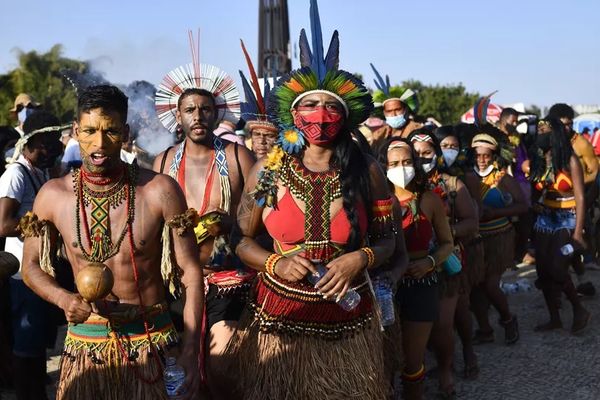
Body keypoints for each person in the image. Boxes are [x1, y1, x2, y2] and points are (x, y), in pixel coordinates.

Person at [225, 1, 395, 398]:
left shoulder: (367, 171)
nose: (320, 115)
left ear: (346, 115)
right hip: (279, 315)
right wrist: (276, 261)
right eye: (310, 105)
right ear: (293, 113)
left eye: (331, 106)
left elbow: (390, 241)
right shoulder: (267, 171)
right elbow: (241, 239)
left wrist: (360, 258)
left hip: (349, 312)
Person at [21, 85, 205, 400]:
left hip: (152, 341)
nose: (100, 143)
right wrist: (65, 300)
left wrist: (191, 348)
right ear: (76, 131)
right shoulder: (53, 195)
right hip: (86, 347)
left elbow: (189, 270)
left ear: (126, 132)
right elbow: (31, 267)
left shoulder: (159, 190)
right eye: (90, 131)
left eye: (111, 131)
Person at [153, 46, 255, 399]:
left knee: (223, 365)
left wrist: (231, 224)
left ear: (216, 114)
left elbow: (258, 221)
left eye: (206, 109)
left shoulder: (239, 157)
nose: (198, 116)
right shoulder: (163, 161)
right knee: (180, 369)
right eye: (190, 110)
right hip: (177, 282)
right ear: (178, 116)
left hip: (229, 280)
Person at [408, 128, 480, 394]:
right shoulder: (399, 188)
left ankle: (451, 367)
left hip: (446, 261)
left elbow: (472, 222)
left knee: (446, 320)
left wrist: (444, 234)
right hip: (411, 265)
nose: (421, 158)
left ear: (437, 154)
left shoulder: (452, 184)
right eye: (416, 154)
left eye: (427, 153)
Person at [382, 137, 453, 399]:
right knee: (384, 357)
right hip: (385, 285)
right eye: (394, 163)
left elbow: (447, 244)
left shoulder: (430, 200)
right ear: (383, 166)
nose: (401, 168)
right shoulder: (375, 200)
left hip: (421, 283)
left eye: (407, 162)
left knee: (413, 360)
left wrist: (429, 263)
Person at [0, 110, 64, 400]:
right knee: (27, 346)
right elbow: (2, 224)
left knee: (37, 344)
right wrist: (34, 229)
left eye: (54, 143)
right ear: (31, 143)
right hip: (21, 275)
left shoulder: (39, 171)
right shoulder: (15, 174)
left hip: (39, 269)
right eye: (46, 145)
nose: (51, 150)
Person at [527, 118, 590, 333]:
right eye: (540, 130)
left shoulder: (570, 159)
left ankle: (579, 308)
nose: (541, 133)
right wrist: (535, 204)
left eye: (546, 130)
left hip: (568, 219)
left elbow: (581, 198)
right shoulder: (539, 158)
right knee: (543, 270)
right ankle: (554, 318)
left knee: (557, 268)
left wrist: (578, 233)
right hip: (545, 218)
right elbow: (535, 191)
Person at [469, 132, 526, 345]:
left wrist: (496, 213)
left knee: (491, 284)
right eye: (477, 155)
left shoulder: (502, 178)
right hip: (475, 238)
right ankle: (485, 329)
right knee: (475, 286)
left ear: (494, 155)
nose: (482, 159)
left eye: (487, 155)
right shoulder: (467, 177)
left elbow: (522, 206)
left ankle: (508, 319)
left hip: (499, 237)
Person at [548, 103, 598, 294]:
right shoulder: (547, 143)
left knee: (569, 246)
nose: (565, 129)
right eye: (562, 125)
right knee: (564, 249)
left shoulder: (580, 143)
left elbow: (594, 171)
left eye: (569, 124)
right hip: (552, 206)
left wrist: (575, 183)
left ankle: (570, 291)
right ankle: (582, 282)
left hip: (577, 201)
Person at [238, 39, 279, 159]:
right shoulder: (242, 164)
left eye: (269, 136)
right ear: (250, 137)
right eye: (257, 134)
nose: (262, 141)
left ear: (277, 139)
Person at [369, 64, 422, 154]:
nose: (393, 114)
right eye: (389, 111)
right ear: (384, 113)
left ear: (406, 110)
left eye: (398, 110)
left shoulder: (418, 130)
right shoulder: (379, 134)